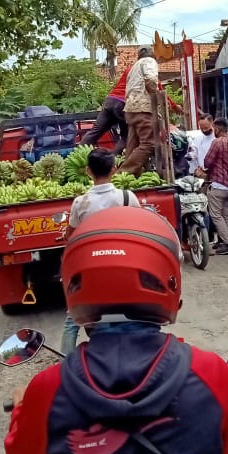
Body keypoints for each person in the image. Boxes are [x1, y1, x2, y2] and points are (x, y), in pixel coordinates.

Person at [5, 206, 228, 454]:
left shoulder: (50, 386)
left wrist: (22, 407)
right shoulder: (210, 372)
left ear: (72, 286)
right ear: (170, 285)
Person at [59, 148, 140, 355]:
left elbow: (71, 234)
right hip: (124, 267)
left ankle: (65, 365)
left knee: (72, 321)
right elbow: (141, 226)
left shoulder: (81, 203)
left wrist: (66, 234)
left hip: (91, 271)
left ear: (88, 171)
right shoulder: (127, 197)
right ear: (114, 169)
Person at [119, 47, 160, 176]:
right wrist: (155, 94)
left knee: (132, 144)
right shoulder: (149, 61)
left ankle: (130, 177)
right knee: (149, 143)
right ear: (152, 55)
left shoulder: (134, 67)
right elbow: (151, 79)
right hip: (143, 107)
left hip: (130, 109)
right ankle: (123, 173)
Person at [204, 118, 228, 255]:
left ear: (217, 129)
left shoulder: (217, 143)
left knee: (216, 215)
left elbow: (207, 162)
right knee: (225, 214)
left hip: (218, 184)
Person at [82, 66, 132, 153]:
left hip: (110, 100)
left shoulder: (129, 68)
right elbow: (156, 89)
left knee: (95, 132)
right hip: (123, 103)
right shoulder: (146, 69)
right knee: (126, 137)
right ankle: (111, 160)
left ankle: (79, 154)